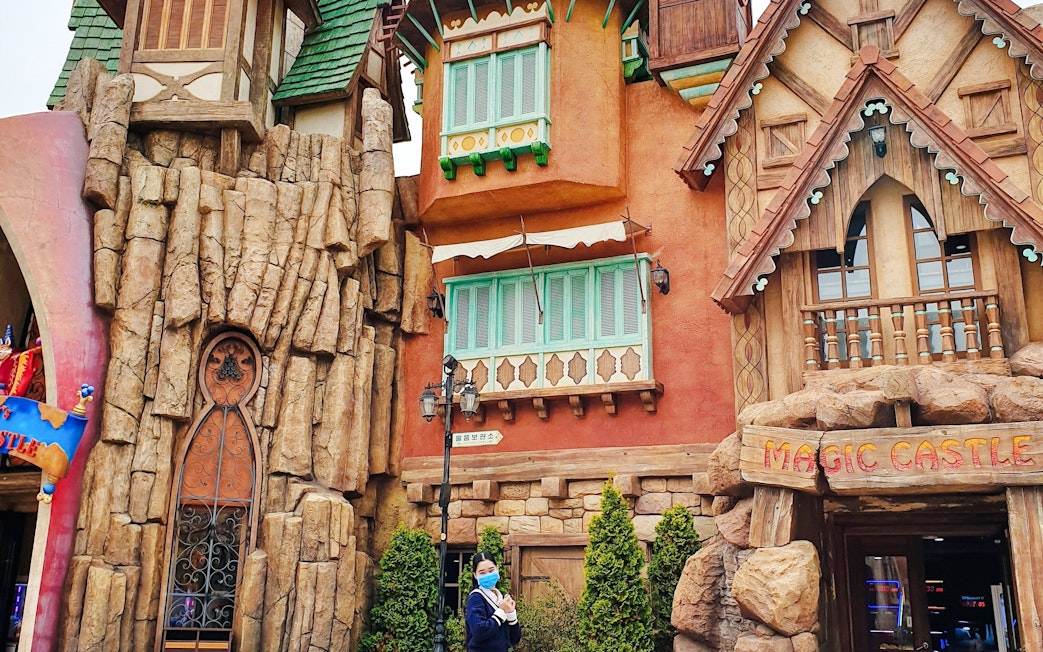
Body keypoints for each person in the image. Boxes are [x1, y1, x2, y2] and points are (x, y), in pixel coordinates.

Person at [464, 552, 522, 651]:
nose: (488, 575)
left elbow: (514, 639)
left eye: (491, 570)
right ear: (475, 575)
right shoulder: (476, 598)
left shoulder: (501, 597)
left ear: (497, 568)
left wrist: (511, 614)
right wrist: (501, 612)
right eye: (482, 573)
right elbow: (479, 631)